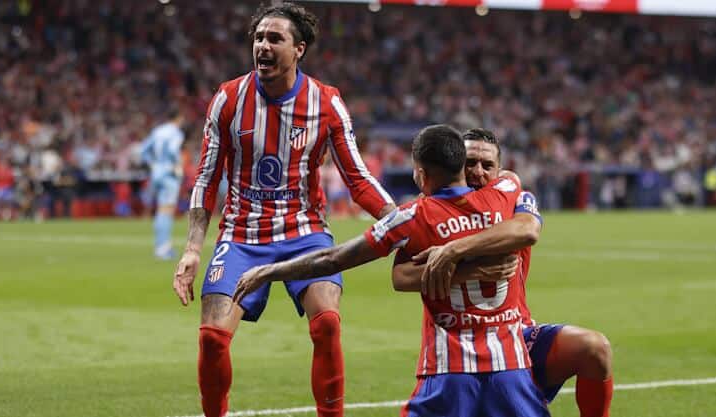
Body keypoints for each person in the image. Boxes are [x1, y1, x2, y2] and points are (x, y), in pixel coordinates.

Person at [171, 3, 396, 417]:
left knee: (326, 323)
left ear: (299, 50)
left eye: (275, 39)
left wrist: (402, 223)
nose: (263, 46)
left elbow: (358, 179)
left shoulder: (326, 103)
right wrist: (191, 249)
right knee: (212, 338)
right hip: (241, 233)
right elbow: (206, 178)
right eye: (259, 37)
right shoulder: (228, 99)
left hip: (304, 232)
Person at [233, 125, 549, 417]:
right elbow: (512, 185)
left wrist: (268, 271)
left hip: (449, 370)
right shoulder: (504, 195)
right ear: (462, 168)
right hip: (513, 368)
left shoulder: (411, 217)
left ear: (421, 174)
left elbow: (333, 259)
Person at [395, 128, 613, 417]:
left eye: (487, 166)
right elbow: (401, 276)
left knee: (594, 348)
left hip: (515, 335)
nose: (477, 172)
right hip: (460, 345)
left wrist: (453, 250)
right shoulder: (432, 213)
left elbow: (526, 224)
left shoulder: (515, 201)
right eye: (469, 162)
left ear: (498, 171)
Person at [140, 107, 186, 260]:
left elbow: (143, 150)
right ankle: (163, 248)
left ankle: (161, 246)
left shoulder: (158, 131)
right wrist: (177, 165)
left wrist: (153, 164)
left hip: (156, 173)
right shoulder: (175, 133)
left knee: (161, 210)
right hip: (169, 175)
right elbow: (173, 150)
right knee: (166, 211)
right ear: (178, 118)